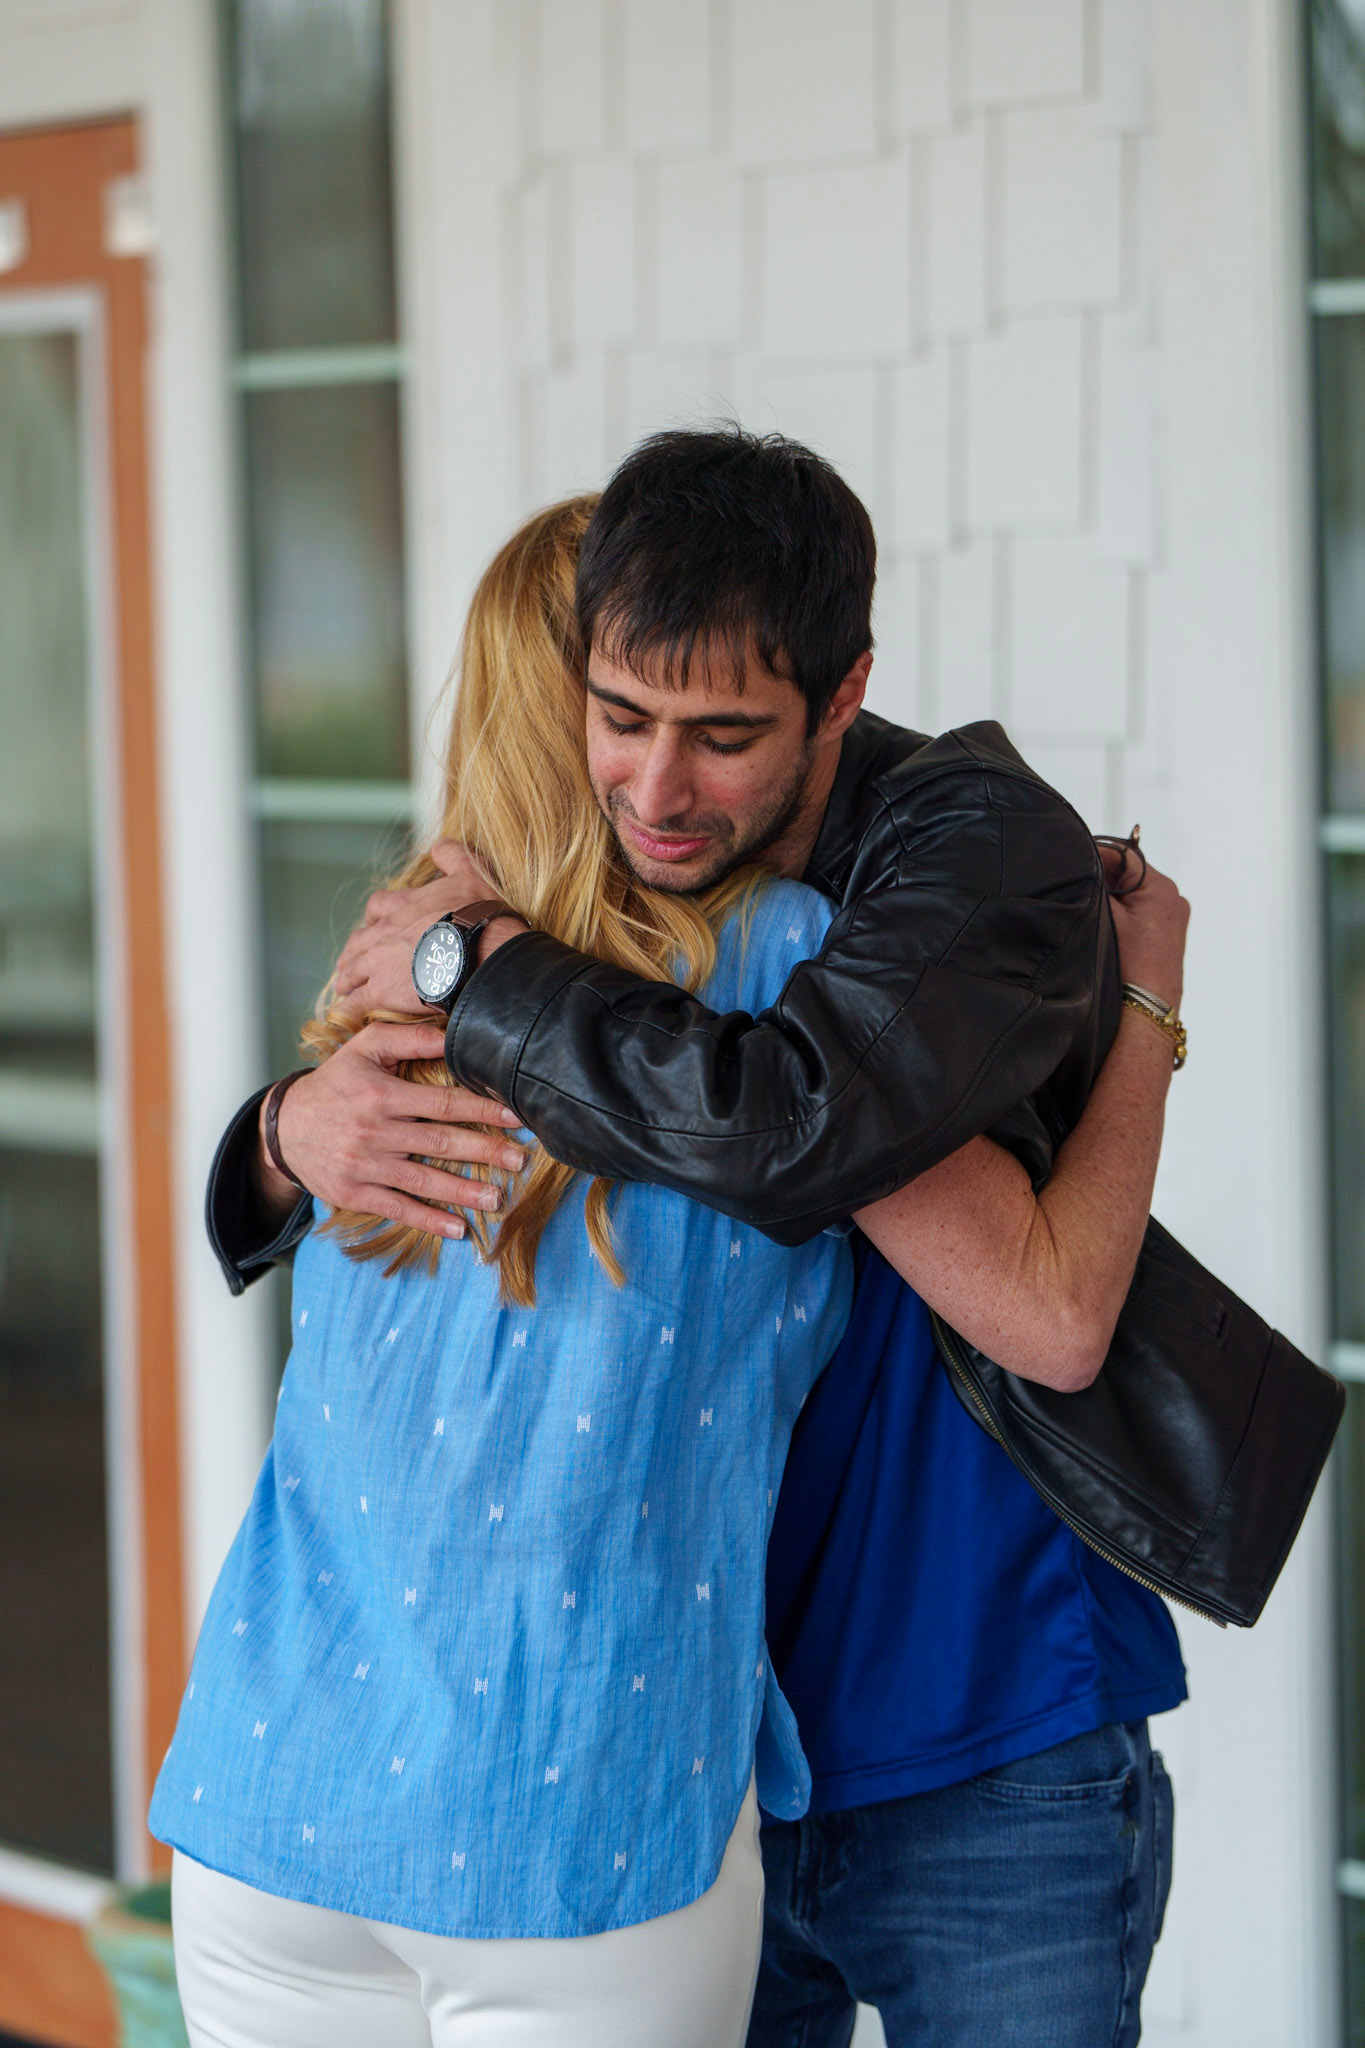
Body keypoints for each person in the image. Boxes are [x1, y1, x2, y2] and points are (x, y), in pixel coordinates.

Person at [205, 431, 1190, 2047]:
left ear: (833, 702)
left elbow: (1009, 1281)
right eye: (620, 716)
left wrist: (1146, 1014)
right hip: (690, 1751)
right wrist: (278, 1136)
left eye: (722, 733)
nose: (658, 787)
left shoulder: (870, 916)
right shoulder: (482, 978)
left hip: (967, 1711)